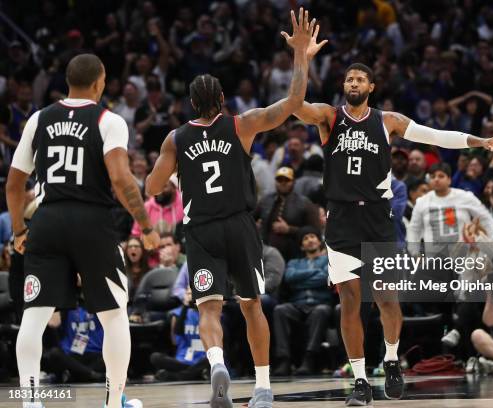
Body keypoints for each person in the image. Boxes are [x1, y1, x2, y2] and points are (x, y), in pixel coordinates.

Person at [294, 62, 493, 405]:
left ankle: (391, 359)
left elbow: (434, 136)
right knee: (350, 303)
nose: (353, 82)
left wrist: (478, 140)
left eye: (360, 78)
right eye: (349, 78)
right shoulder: (329, 117)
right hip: (342, 219)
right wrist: (301, 57)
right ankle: (360, 380)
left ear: (371, 87)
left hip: (377, 218)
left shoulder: (386, 121)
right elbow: (294, 104)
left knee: (387, 299)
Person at [144, 8, 326, 408]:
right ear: (223, 100)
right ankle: (262, 388)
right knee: (251, 307)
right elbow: (295, 100)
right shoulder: (242, 124)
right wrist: (300, 55)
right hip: (241, 226)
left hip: (202, 231)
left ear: (191, 104)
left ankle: (216, 363)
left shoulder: (176, 139)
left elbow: (152, 186)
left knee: (208, 310)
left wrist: (177, 176)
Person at [6, 54, 160, 408]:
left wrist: (18, 229)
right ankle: (113, 402)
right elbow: (121, 179)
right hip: (91, 221)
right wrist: (146, 225)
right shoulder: (109, 120)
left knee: (35, 315)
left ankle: (30, 401)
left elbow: (14, 185)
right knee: (114, 314)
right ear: (100, 82)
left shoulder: (38, 119)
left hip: (47, 220)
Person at [272, 227, 332, 376]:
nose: (310, 240)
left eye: (312, 236)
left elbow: (326, 277)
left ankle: (309, 358)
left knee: (321, 311)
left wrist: (301, 280)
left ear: (319, 241)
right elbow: (289, 277)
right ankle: (284, 360)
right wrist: (316, 276)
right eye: (305, 239)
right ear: (301, 246)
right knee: (280, 310)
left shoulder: (328, 260)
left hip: (320, 303)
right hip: (297, 304)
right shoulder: (294, 262)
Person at [254, 166, 321, 261]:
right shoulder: (266, 200)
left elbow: (315, 231)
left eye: (287, 180)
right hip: (266, 251)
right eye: (279, 180)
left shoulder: (305, 203)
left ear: (293, 182)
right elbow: (249, 219)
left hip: (296, 255)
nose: (283, 183)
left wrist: (289, 229)